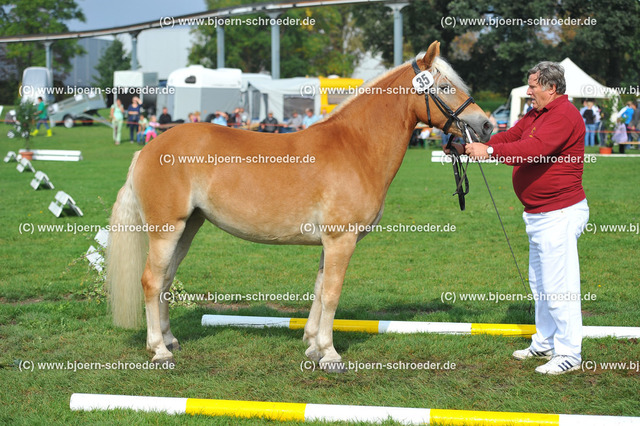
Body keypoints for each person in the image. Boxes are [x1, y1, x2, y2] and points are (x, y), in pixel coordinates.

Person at [464, 61, 589, 375]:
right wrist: (476, 146)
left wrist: (489, 153)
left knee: (559, 286)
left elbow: (535, 149)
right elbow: (511, 137)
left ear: (551, 87)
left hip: (559, 213)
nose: (529, 91)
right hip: (539, 214)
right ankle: (546, 341)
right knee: (541, 284)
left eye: (533, 86)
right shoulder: (537, 113)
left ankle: (570, 352)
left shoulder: (564, 114)